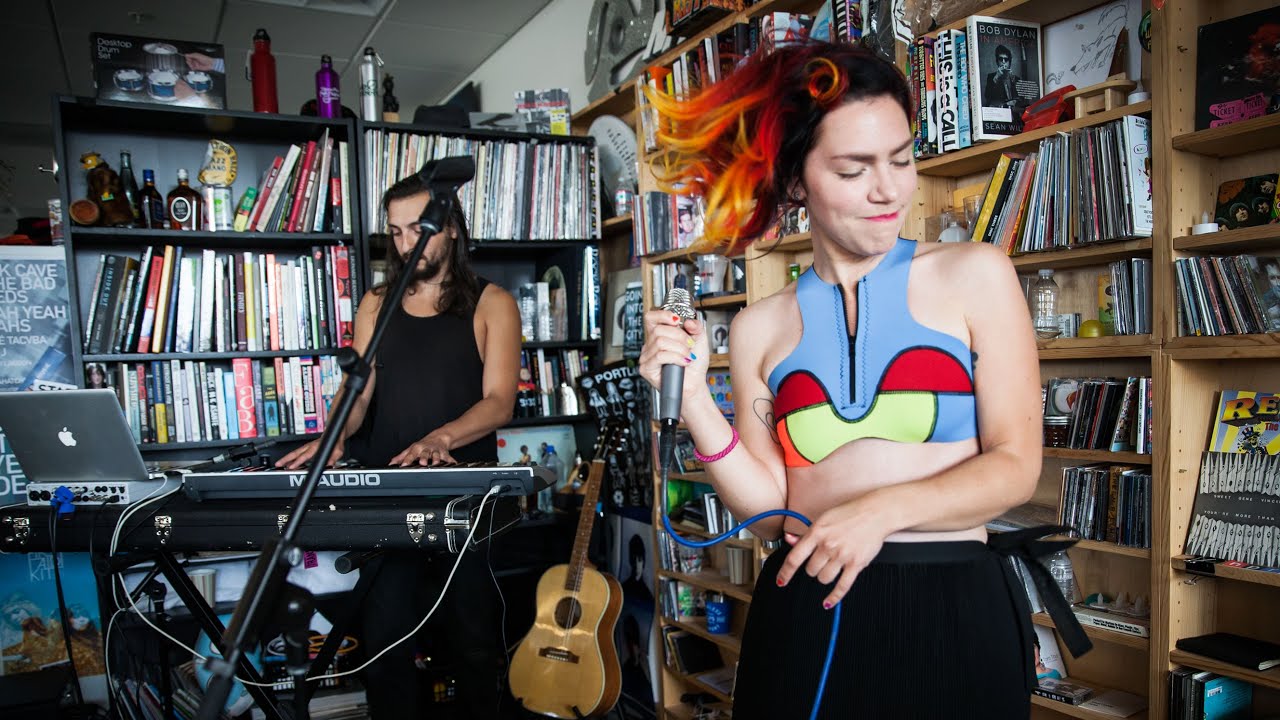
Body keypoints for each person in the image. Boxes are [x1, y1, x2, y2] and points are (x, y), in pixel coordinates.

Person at [638, 41, 1087, 718]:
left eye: (901, 160)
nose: (889, 190)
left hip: (953, 607)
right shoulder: (763, 327)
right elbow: (768, 519)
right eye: (854, 170)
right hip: (809, 608)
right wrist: (698, 400)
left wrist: (878, 513)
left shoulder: (976, 275)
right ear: (795, 182)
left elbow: (1017, 467)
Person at [276, 168, 521, 719]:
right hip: (388, 500)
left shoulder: (492, 303)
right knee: (387, 644)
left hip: (464, 502)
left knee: (474, 644)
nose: (407, 243)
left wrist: (441, 438)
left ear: (451, 227)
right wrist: (333, 437)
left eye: (420, 228)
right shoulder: (376, 303)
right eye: (397, 232)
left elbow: (499, 401)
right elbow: (358, 394)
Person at [983, 44, 1022, 109]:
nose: (1003, 62)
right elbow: (987, 97)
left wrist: (1013, 82)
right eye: (1001, 59)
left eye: (1006, 59)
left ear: (1009, 62)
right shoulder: (991, 77)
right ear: (997, 62)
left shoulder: (1016, 79)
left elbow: (1021, 100)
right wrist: (996, 77)